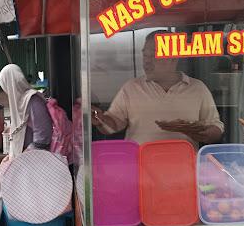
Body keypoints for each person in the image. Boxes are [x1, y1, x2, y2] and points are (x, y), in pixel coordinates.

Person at [91, 30, 223, 147]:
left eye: (153, 55)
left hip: (184, 167)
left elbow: (216, 128)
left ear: (174, 58)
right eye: (145, 55)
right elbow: (112, 126)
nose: (147, 61)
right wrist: (100, 120)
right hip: (140, 167)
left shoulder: (197, 88)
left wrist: (205, 134)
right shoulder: (132, 88)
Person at [0, 64, 53, 159]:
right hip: (25, 159)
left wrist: (25, 157)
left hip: (36, 161)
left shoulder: (33, 100)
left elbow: (43, 136)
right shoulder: (18, 102)